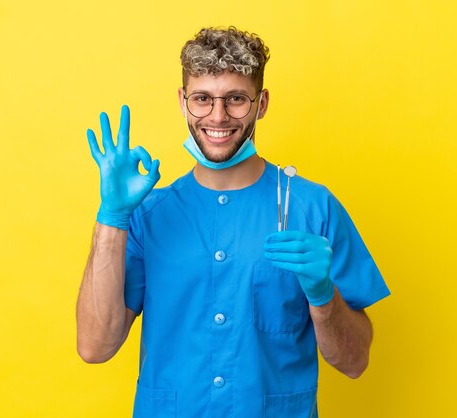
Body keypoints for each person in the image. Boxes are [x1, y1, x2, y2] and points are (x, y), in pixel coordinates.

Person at [76, 26, 390, 418]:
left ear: (261, 103)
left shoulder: (313, 208)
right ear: (182, 100)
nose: (218, 117)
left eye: (236, 99)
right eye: (202, 99)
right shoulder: (147, 216)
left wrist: (323, 296)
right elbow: (94, 346)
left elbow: (355, 361)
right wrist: (112, 217)